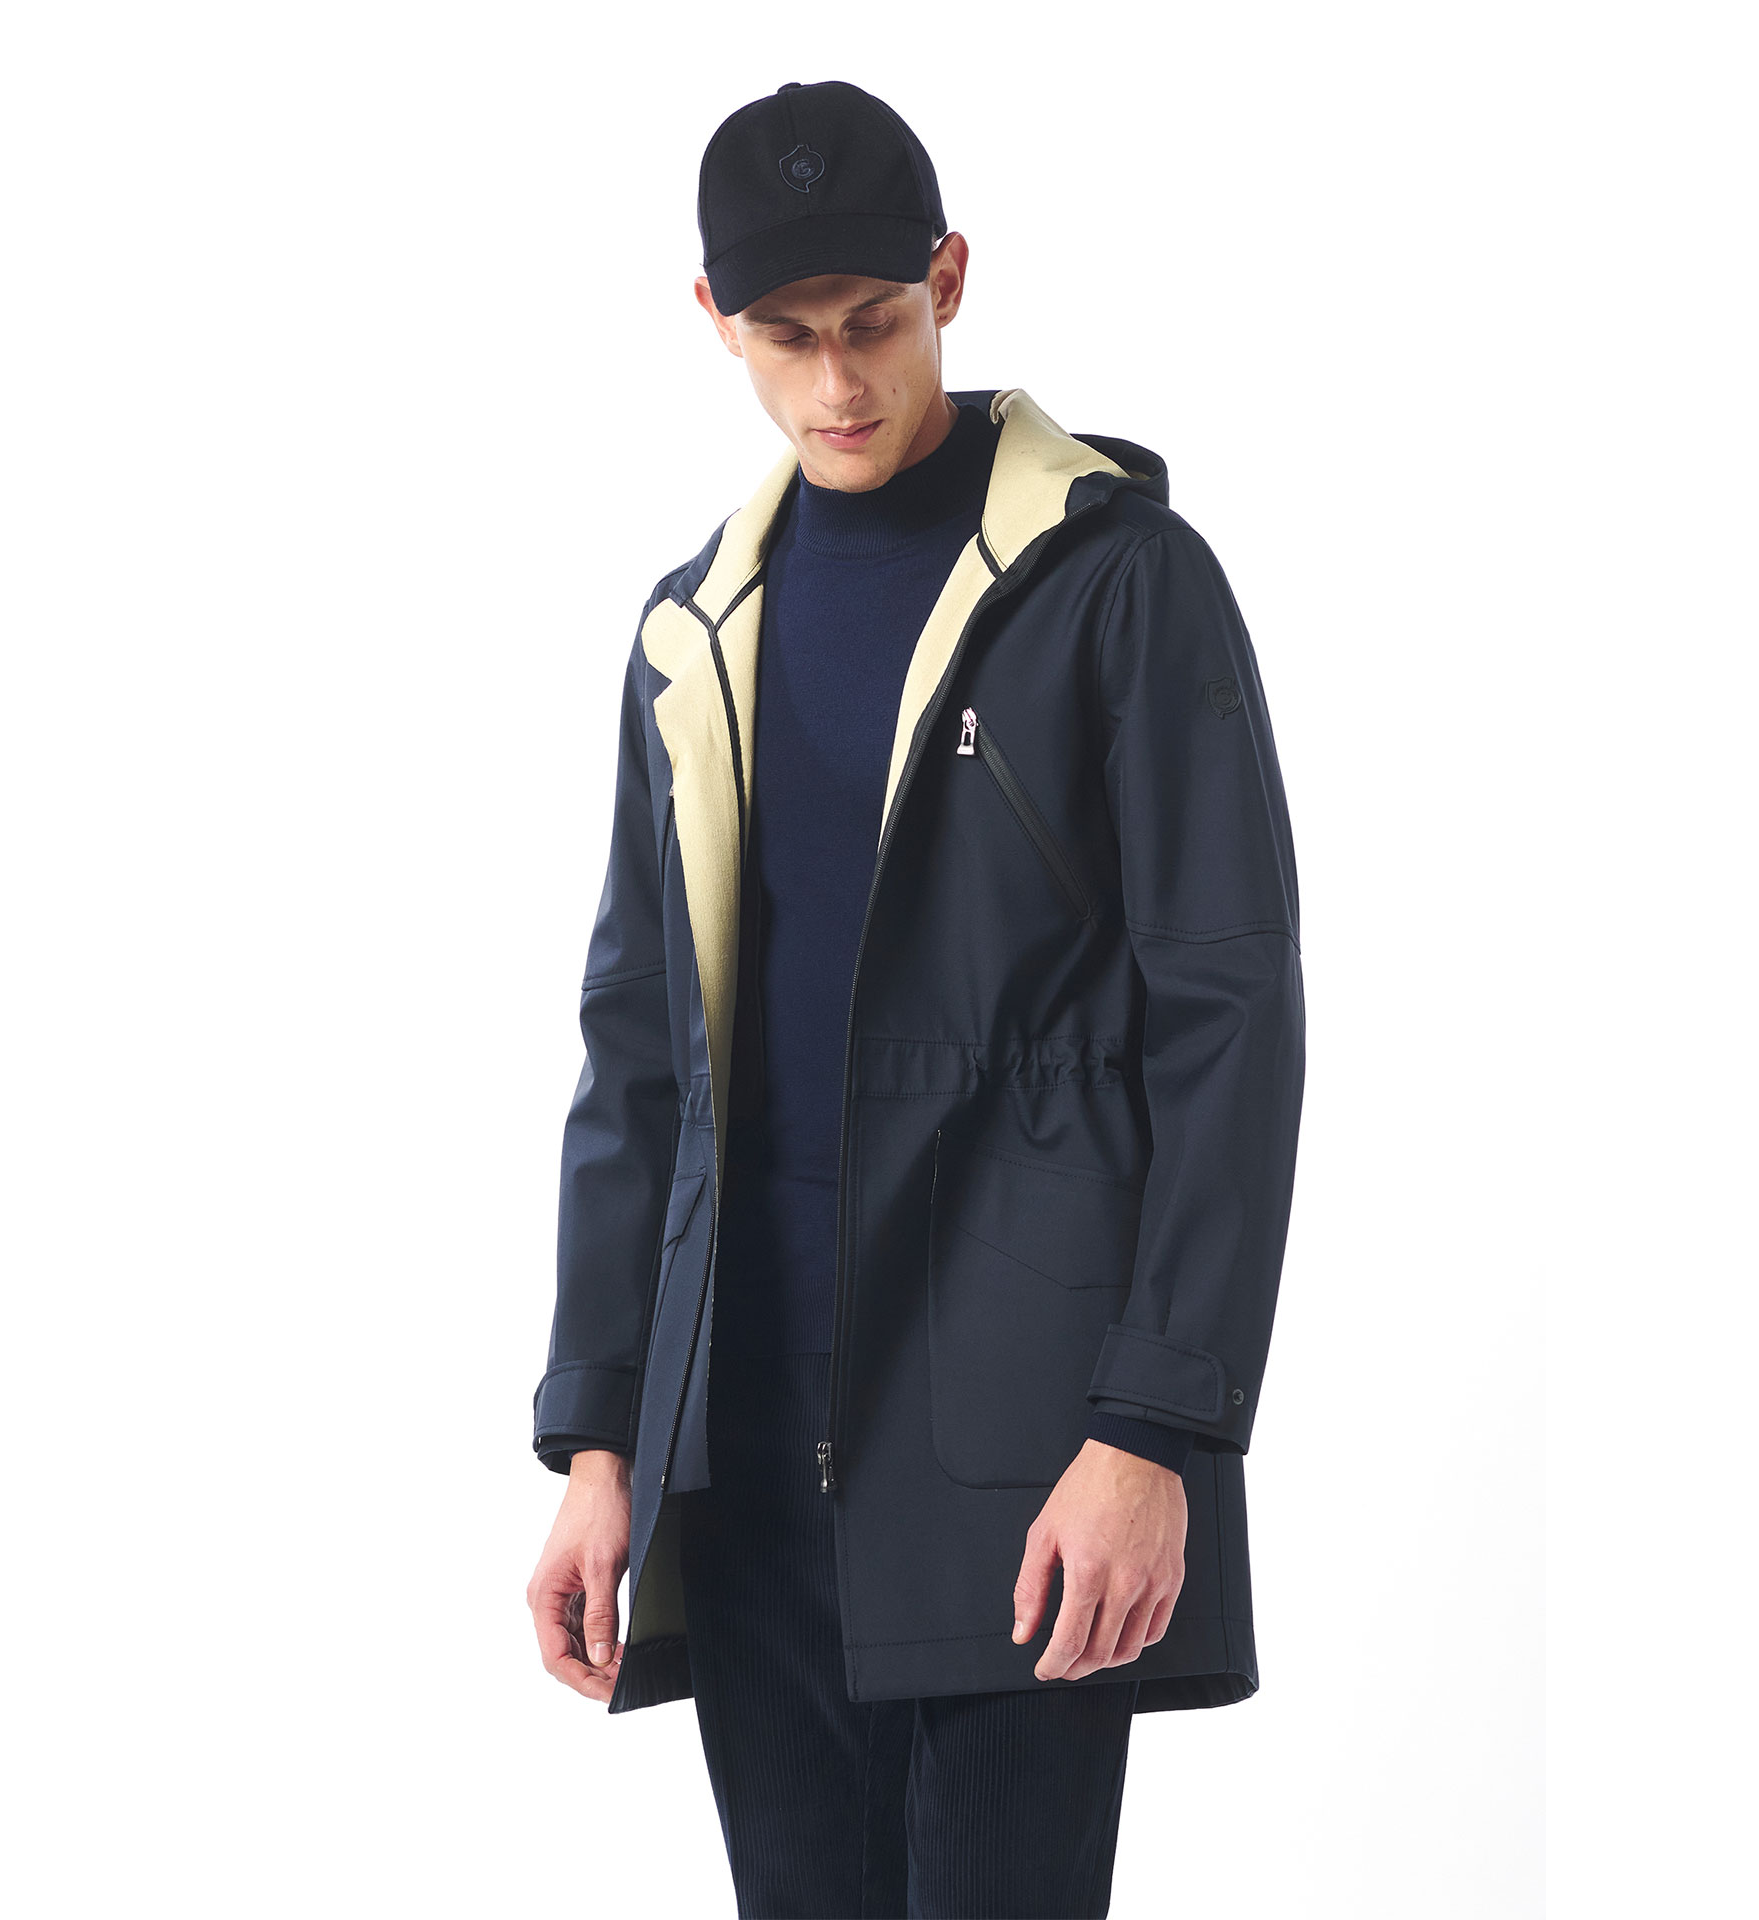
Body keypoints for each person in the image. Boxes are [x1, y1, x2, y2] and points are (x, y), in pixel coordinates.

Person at [526, 78, 1306, 1920]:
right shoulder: (693, 634)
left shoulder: (1118, 582)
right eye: (786, 340)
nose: (838, 383)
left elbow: (1230, 1021)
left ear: (948, 280)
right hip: (748, 1452)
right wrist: (601, 1436)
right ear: (714, 322)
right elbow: (640, 1053)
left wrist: (1155, 1430)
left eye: (874, 323)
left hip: (1027, 1442)